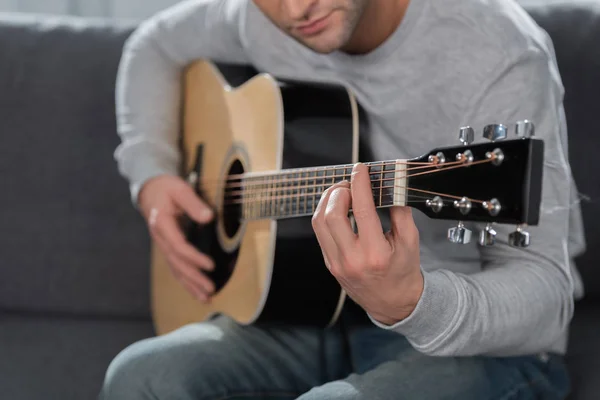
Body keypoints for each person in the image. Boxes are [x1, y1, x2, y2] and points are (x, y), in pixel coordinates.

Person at [100, 0, 587, 398]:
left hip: (473, 348)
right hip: (307, 310)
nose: (296, 9)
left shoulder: (497, 51)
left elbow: (548, 294)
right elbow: (154, 45)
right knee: (139, 377)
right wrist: (152, 177)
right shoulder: (261, 20)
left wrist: (412, 303)